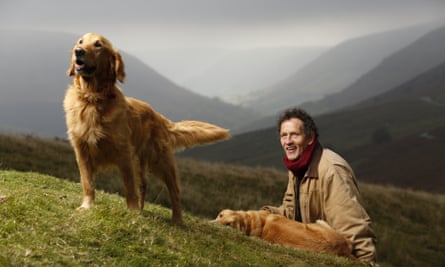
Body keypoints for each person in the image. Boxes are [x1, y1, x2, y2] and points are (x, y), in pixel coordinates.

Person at [262, 108, 377, 262]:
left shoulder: (332, 171)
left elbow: (355, 232)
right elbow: (291, 213)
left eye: (294, 135)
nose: (288, 141)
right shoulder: (298, 167)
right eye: (284, 136)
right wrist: (261, 217)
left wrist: (365, 264)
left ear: (310, 138)